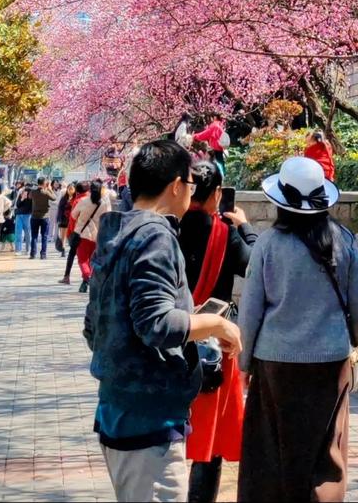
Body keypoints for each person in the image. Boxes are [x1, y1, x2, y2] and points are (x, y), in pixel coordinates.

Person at [84, 137, 241, 503]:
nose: (191, 192)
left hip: (119, 407)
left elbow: (93, 328)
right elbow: (155, 324)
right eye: (189, 184)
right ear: (174, 185)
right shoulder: (156, 234)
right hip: (148, 419)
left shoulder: (116, 231)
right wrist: (218, 325)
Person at [237, 155, 358, 503]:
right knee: (326, 453)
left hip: (275, 362)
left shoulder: (268, 244)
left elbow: (251, 311)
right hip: (331, 361)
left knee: (270, 453)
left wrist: (244, 364)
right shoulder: (344, 240)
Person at [178, 162, 258, 503]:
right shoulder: (225, 233)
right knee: (208, 442)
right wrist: (246, 228)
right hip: (212, 345)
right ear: (214, 195)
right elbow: (255, 267)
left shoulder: (167, 227)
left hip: (171, 339)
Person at [71, 180, 112, 293]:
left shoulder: (83, 201)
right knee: (92, 261)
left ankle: (88, 278)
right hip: (98, 235)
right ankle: (85, 282)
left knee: (82, 260)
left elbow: (73, 215)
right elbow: (108, 217)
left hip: (82, 234)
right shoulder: (105, 203)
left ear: (90, 190)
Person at [59, 180, 89, 284]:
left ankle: (67, 276)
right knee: (89, 257)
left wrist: (70, 233)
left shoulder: (78, 201)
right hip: (92, 234)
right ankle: (87, 279)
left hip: (78, 232)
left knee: (73, 254)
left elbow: (72, 218)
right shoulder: (96, 200)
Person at [29, 176, 56, 259]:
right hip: (45, 217)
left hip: (34, 216)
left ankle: (33, 254)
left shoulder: (33, 192)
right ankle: (43, 254)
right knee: (44, 236)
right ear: (44, 183)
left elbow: (29, 197)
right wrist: (49, 189)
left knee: (34, 236)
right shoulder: (46, 192)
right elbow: (54, 198)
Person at [56, 182, 76, 254]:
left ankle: (72, 249)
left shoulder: (76, 198)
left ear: (74, 190)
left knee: (70, 236)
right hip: (64, 219)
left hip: (72, 220)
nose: (70, 190)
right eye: (69, 189)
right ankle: (63, 249)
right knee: (63, 235)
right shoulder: (64, 198)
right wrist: (59, 219)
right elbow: (60, 209)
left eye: (71, 189)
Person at [14, 181, 33, 254]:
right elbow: (18, 205)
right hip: (19, 215)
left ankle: (28, 249)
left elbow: (32, 206)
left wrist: (29, 198)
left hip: (28, 215)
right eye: (26, 187)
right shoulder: (21, 193)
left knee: (28, 233)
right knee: (18, 233)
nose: (26, 189)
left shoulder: (32, 196)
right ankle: (18, 250)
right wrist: (22, 198)